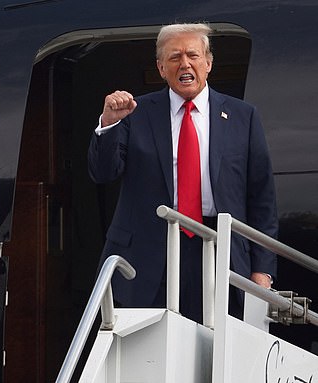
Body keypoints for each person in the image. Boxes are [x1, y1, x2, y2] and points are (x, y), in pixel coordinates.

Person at [88, 22, 278, 323]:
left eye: (192, 55)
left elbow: (262, 199)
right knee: (148, 360)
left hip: (220, 252)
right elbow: (102, 173)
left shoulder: (244, 117)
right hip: (150, 255)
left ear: (208, 63)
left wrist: (262, 270)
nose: (185, 63)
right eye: (175, 57)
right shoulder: (136, 113)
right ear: (161, 68)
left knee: (217, 358)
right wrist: (109, 123)